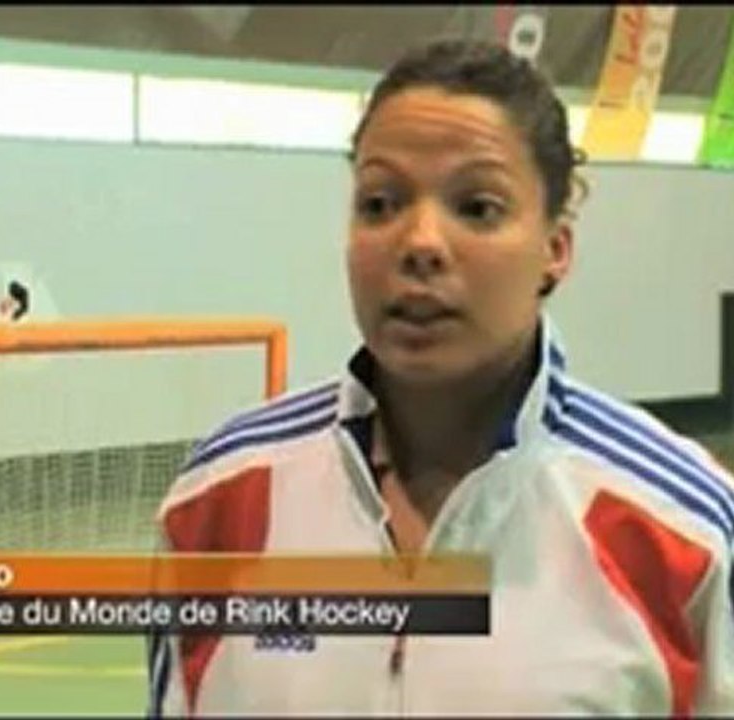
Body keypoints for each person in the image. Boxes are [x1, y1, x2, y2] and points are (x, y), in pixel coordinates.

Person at [147, 38, 734, 716]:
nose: (419, 242)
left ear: (555, 249)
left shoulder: (685, 534)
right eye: (380, 203)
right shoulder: (218, 501)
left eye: (478, 207)